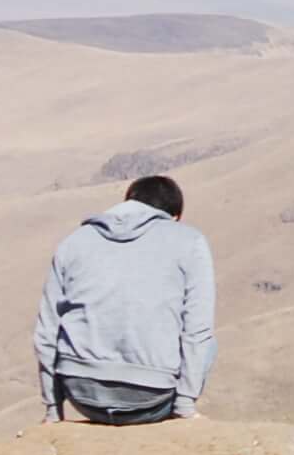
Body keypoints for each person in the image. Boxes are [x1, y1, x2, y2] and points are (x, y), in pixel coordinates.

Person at [33, 174, 216, 425]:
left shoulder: (73, 242)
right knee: (208, 342)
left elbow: (46, 332)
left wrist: (53, 409)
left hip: (82, 396)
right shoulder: (190, 241)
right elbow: (198, 329)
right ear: (175, 217)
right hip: (151, 401)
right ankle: (184, 409)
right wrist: (184, 405)